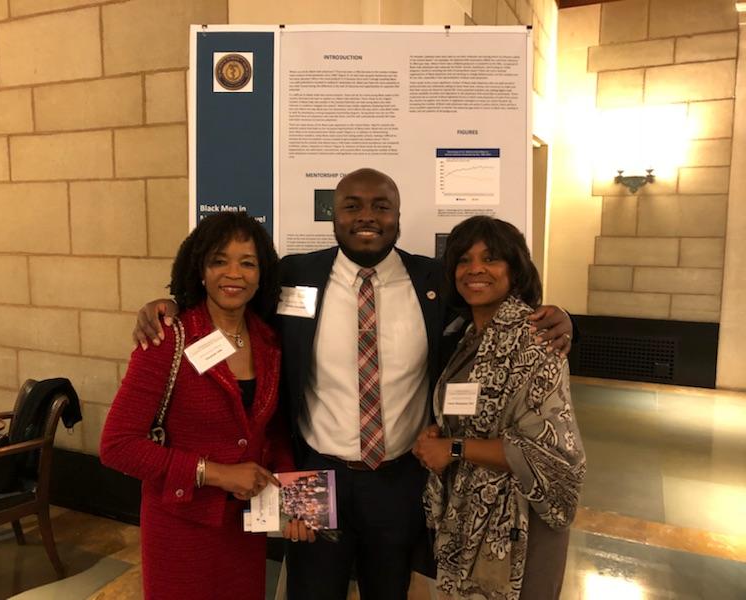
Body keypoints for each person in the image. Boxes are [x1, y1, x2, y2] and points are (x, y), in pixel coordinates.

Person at [132, 169, 574, 600]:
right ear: (333, 217)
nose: (367, 216)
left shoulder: (434, 281)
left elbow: (495, 316)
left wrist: (565, 321)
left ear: (398, 218)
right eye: (352, 206)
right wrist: (170, 303)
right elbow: (230, 303)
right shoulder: (293, 274)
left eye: (381, 207)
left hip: (399, 480)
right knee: (313, 591)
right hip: (317, 474)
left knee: (389, 590)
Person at [100, 212, 295, 600]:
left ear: (262, 274)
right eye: (219, 260)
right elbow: (116, 445)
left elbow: (272, 428)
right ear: (200, 270)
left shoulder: (268, 340)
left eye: (248, 262)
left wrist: (291, 494)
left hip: (243, 529)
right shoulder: (168, 338)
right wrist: (217, 473)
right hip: (181, 525)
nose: (234, 274)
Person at [412, 216, 586, 600]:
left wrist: (454, 449)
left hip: (520, 523)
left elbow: (553, 455)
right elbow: (472, 416)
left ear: (515, 268)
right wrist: (441, 432)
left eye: (490, 259)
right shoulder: (464, 336)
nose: (475, 269)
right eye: (463, 260)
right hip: (467, 514)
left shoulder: (536, 340)